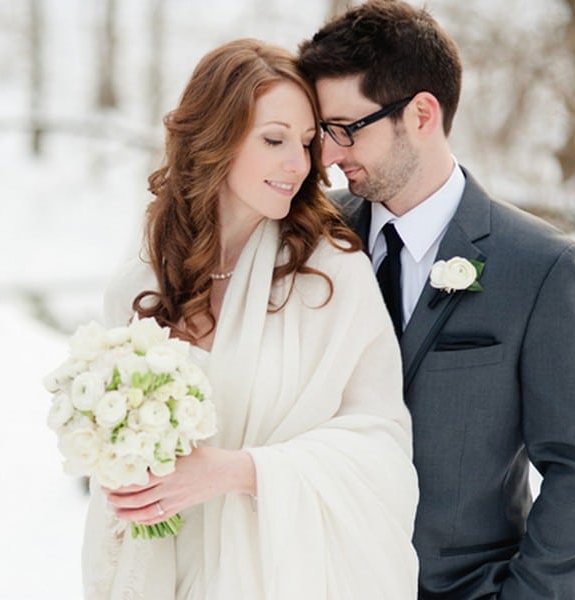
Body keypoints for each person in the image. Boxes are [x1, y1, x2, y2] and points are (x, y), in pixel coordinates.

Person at [81, 38, 418, 599]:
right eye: (274, 140)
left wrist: (239, 471)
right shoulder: (142, 281)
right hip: (169, 576)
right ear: (217, 138)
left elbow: (381, 446)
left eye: (308, 143)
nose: (300, 164)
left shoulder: (330, 276)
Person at [297, 2, 575, 598]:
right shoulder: (308, 240)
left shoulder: (539, 266)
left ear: (422, 114)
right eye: (322, 133)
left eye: (347, 129)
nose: (329, 155)